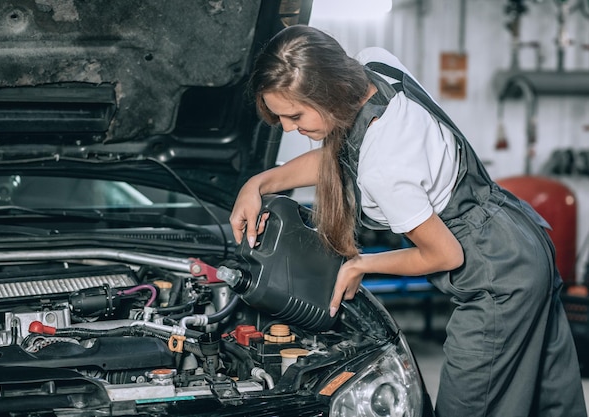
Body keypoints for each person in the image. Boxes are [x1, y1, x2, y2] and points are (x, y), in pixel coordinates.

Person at [229, 24, 587, 417]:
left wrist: (362, 264)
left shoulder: (385, 166)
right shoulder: (374, 64)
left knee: (468, 407)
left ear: (328, 92)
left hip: (496, 276)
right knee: (552, 401)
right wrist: (259, 183)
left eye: (294, 115)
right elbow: (340, 157)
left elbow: (444, 254)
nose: (287, 127)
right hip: (521, 237)